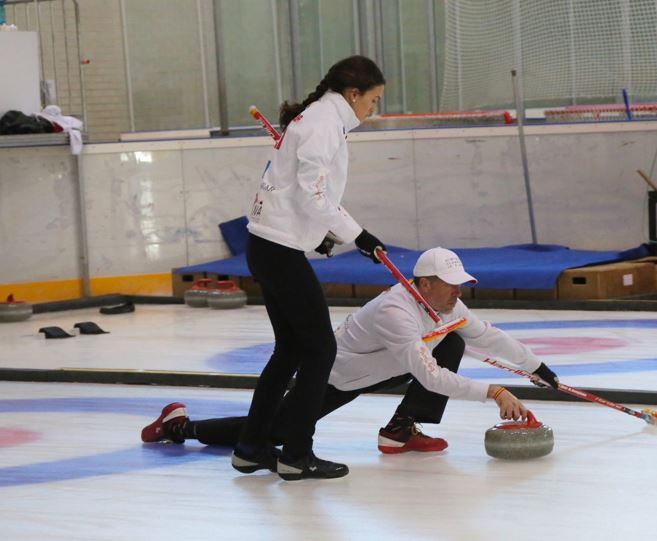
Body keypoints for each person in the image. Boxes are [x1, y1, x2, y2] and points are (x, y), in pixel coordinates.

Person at [142, 247, 559, 466]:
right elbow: (430, 378)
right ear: (424, 283)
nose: (458, 291)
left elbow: (489, 336)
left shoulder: (447, 306)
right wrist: (495, 391)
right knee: (277, 433)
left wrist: (536, 367)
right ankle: (182, 427)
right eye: (450, 284)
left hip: (386, 365)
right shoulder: (397, 312)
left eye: (460, 283)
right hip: (339, 374)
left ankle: (401, 429)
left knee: (454, 340)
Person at [233, 55, 387, 481]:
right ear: (353, 94)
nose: (373, 109)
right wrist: (359, 236)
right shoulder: (321, 124)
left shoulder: (320, 119)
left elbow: (294, 192)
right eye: (372, 100)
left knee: (292, 350)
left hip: (269, 245)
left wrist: (320, 233)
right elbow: (313, 195)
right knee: (321, 349)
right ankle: (296, 453)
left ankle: (251, 446)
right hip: (278, 252)